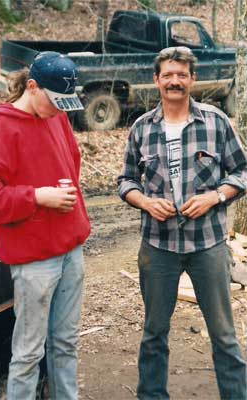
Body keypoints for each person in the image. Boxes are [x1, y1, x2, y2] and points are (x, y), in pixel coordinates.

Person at [118, 46, 247, 400]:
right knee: (154, 332)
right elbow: (125, 180)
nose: (175, 81)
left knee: (223, 334)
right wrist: (143, 200)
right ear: (156, 80)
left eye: (182, 74)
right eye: (168, 75)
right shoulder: (142, 128)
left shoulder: (216, 122)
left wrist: (215, 196)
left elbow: (242, 171)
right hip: (158, 248)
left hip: (208, 245)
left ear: (192, 78)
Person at [0, 51, 90, 400]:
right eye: (55, 101)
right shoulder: (1, 125)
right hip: (34, 259)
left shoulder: (56, 116)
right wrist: (37, 197)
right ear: (32, 86)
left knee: (66, 343)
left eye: (64, 104)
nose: (59, 110)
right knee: (28, 352)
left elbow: (71, 160)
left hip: (71, 248)